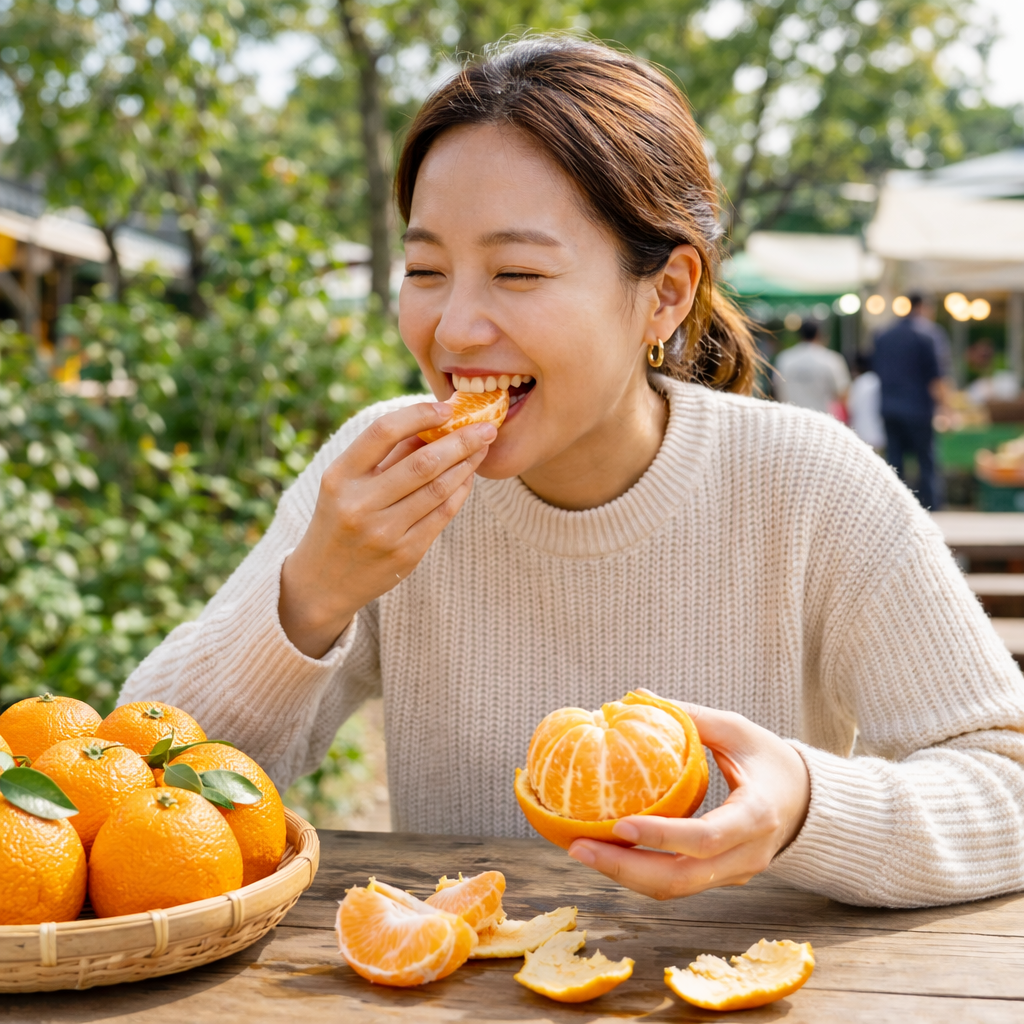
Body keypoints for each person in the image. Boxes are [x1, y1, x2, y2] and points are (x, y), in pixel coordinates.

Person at [119, 37, 1024, 910]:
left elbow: (1006, 782)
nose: (454, 327)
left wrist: (805, 806)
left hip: (737, 985)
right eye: (426, 268)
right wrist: (312, 594)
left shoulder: (809, 486)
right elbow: (133, 795)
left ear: (666, 293)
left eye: (516, 273)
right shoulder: (378, 474)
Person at [872, 294, 949, 510]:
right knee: (926, 461)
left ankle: (895, 508)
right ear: (923, 306)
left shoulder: (884, 335)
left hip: (889, 406)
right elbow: (936, 378)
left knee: (894, 461)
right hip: (918, 408)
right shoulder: (928, 334)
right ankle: (930, 507)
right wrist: (945, 408)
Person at [773, 319, 850, 418]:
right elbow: (843, 394)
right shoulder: (831, 359)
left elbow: (776, 390)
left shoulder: (784, 359)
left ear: (799, 335)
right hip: (822, 420)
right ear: (819, 334)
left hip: (790, 419)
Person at [847, 353, 886, 451]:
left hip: (859, 430)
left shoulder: (859, 382)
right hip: (877, 429)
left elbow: (850, 406)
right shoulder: (876, 380)